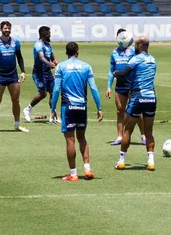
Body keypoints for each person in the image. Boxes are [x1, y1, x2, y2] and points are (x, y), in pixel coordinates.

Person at [51, 42, 103, 181]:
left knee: (70, 140)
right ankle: (87, 169)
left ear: (66, 53)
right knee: (82, 138)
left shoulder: (61, 66)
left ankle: (73, 174)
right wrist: (99, 107)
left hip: (68, 107)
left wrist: (52, 108)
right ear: (77, 52)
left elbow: (56, 89)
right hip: (82, 106)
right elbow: (93, 88)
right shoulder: (86, 66)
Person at [113, 36, 157, 171]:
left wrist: (115, 73)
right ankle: (151, 162)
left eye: (136, 44)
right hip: (151, 98)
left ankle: (121, 161)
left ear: (141, 45)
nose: (134, 45)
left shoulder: (136, 59)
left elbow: (123, 73)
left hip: (138, 97)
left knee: (128, 129)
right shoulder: (153, 59)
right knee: (148, 131)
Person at [106, 28, 145, 146]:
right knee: (119, 111)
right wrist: (109, 87)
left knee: (136, 111)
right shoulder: (114, 53)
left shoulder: (134, 51)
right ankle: (120, 136)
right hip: (120, 86)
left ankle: (143, 135)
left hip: (132, 85)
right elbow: (111, 71)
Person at [23, 26, 60, 123]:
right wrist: (49, 64)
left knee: (53, 93)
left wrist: (58, 64)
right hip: (39, 73)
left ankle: (53, 115)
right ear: (44, 34)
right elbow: (41, 57)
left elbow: (53, 58)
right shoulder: (38, 45)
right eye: (49, 33)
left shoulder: (48, 45)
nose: (50, 35)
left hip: (48, 73)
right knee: (43, 94)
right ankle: (28, 109)